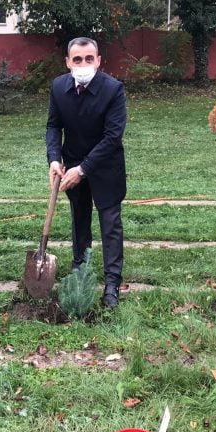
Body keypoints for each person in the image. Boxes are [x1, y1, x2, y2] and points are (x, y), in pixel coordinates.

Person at [46, 37, 127, 307]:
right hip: (72, 164)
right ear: (68, 62)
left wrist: (83, 170)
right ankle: (81, 268)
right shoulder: (59, 87)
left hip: (106, 166)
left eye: (89, 58)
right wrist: (54, 159)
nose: (83, 64)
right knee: (79, 219)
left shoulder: (113, 90)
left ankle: (112, 283)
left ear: (98, 61)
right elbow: (53, 126)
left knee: (110, 224)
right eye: (77, 59)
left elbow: (112, 137)